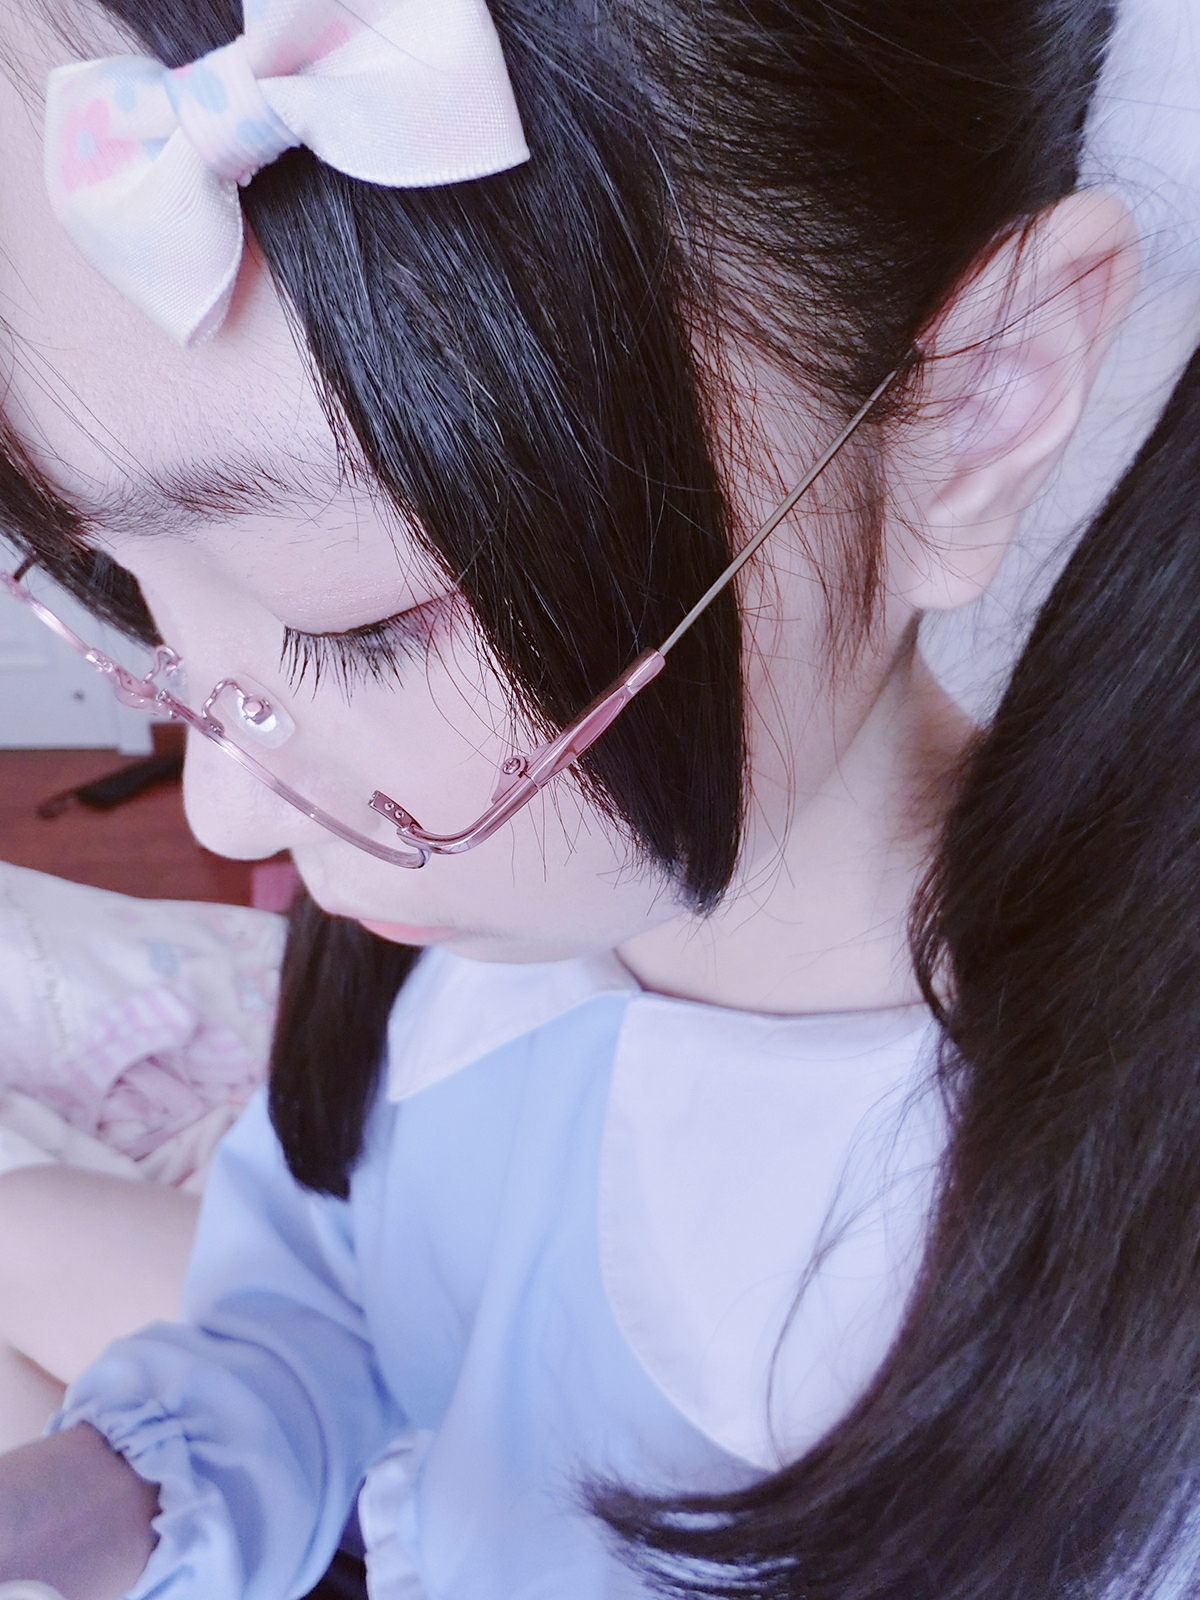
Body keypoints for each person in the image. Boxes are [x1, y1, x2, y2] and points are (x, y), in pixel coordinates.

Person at [0, 0, 1196, 1597]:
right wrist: (102, 1504)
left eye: (354, 624)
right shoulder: (457, 932)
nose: (224, 813)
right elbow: (326, 1290)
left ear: (974, 402)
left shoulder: (1093, 1303)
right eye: (121, 587)